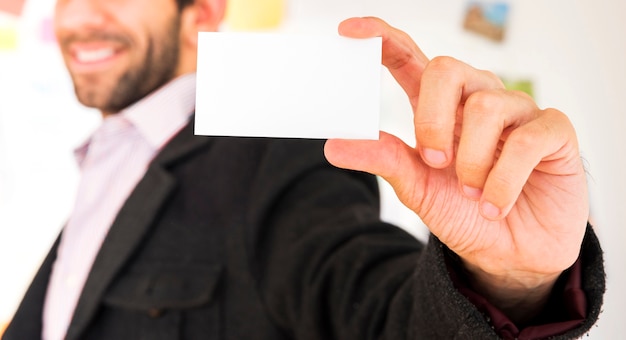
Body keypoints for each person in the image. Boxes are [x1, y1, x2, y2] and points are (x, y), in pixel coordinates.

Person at [3, 0, 605, 339]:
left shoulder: (272, 151)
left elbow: (375, 319)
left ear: (203, 12)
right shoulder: (106, 154)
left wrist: (511, 283)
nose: (78, 17)